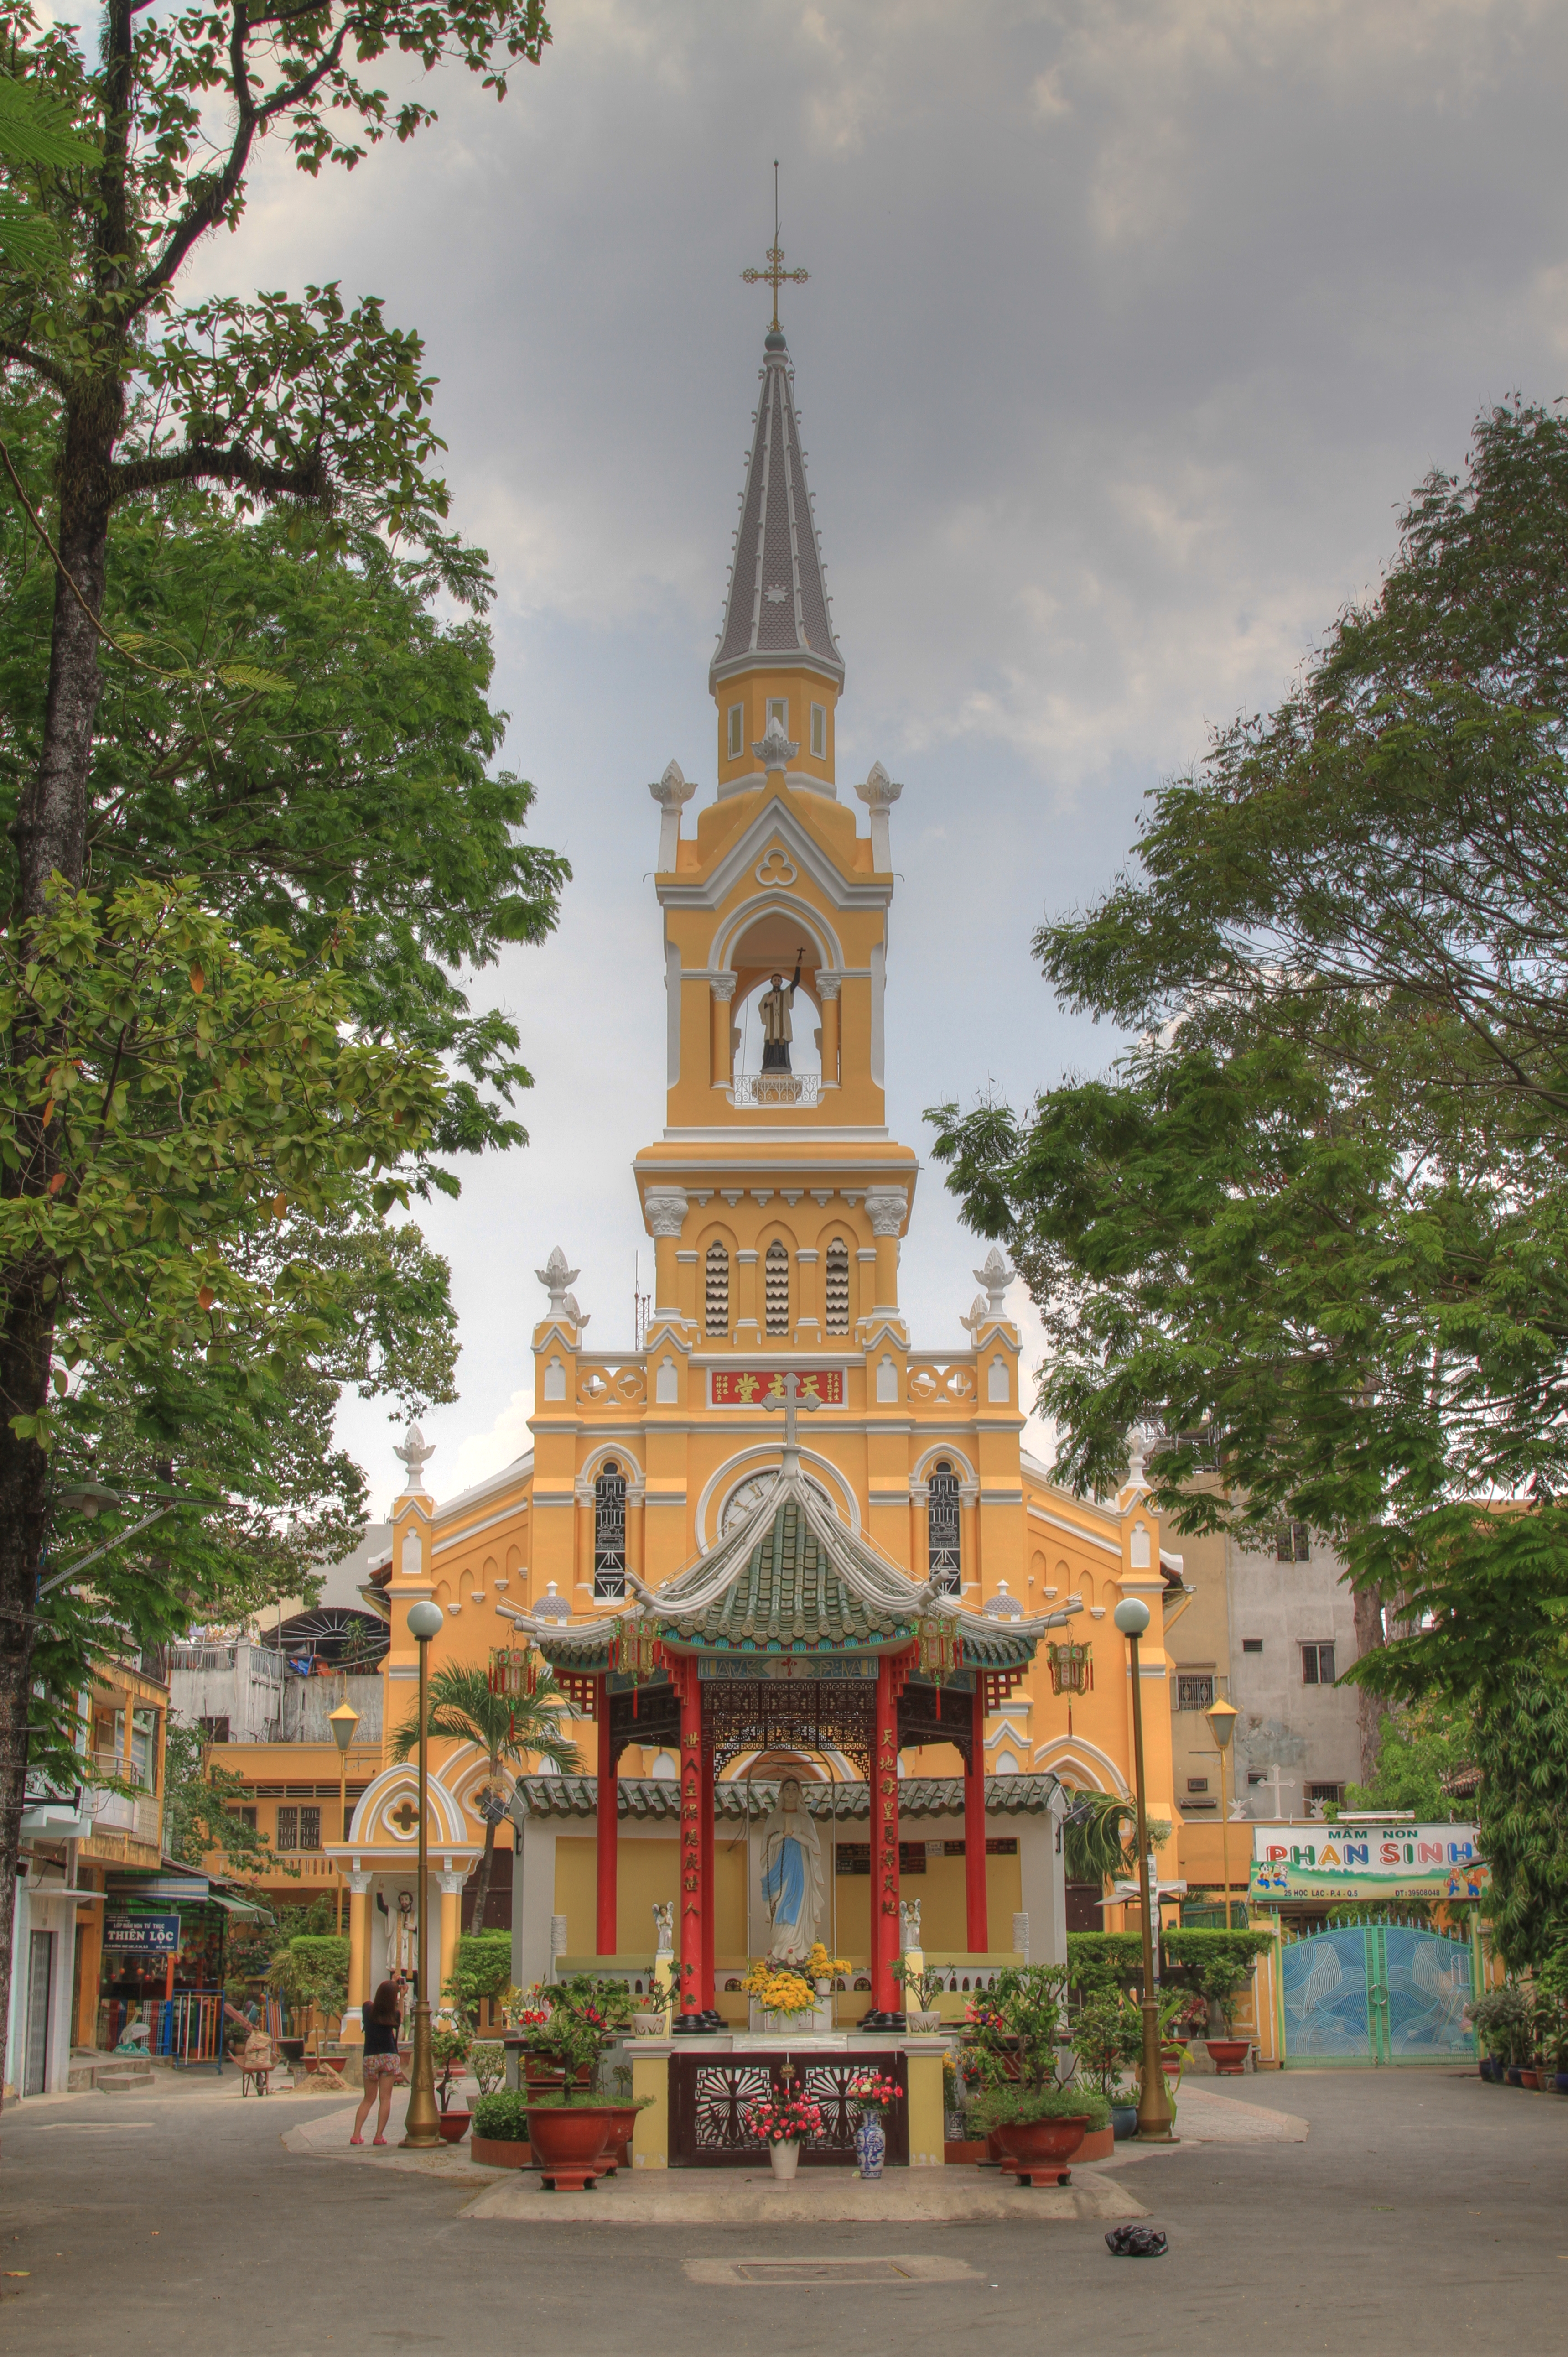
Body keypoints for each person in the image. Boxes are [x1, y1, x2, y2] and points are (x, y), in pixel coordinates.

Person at [350, 1979, 405, 2146]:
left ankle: (356, 2135)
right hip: (389, 2057)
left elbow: (371, 2003)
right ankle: (379, 2136)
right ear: (393, 1999)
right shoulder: (393, 2015)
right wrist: (402, 1997)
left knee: (368, 2098)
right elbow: (399, 2016)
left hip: (371, 2057)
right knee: (385, 2098)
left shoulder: (367, 2009)